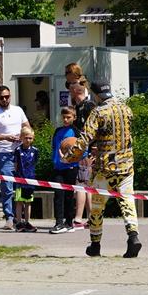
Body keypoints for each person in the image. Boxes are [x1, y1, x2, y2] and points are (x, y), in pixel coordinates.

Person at [64, 80, 142, 258]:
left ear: (96, 95)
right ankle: (133, 236)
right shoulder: (127, 109)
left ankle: (95, 244)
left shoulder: (98, 112)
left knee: (97, 207)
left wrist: (69, 157)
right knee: (127, 202)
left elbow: (84, 139)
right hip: (127, 165)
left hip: (105, 167)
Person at [0, 84, 28, 230]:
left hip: (20, 152)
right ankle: (9, 217)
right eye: (1, 97)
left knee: (22, 184)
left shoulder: (18, 110)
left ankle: (22, 217)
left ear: (10, 96)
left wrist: (23, 136)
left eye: (7, 96)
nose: (5, 99)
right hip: (5, 153)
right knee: (7, 187)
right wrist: (5, 137)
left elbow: (27, 127)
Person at [67, 76, 96, 227]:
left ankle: (78, 218)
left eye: (70, 90)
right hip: (80, 150)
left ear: (75, 91)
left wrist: (93, 149)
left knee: (81, 184)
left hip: (86, 151)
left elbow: (93, 130)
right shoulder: (78, 107)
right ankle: (91, 218)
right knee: (86, 185)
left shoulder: (88, 106)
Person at [49, 105, 79, 234]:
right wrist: (56, 159)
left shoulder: (76, 132)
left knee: (68, 196)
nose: (66, 120)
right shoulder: (57, 131)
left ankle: (69, 222)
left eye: (68, 117)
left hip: (71, 168)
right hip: (58, 167)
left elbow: (82, 151)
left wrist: (71, 158)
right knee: (58, 194)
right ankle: (59, 222)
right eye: (64, 117)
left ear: (74, 117)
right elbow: (54, 147)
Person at [12, 122, 40, 232]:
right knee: (19, 202)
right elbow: (15, 165)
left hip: (31, 180)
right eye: (26, 138)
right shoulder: (18, 151)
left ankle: (27, 222)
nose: (28, 140)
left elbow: (35, 163)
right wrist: (17, 176)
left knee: (28, 202)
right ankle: (19, 222)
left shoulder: (35, 151)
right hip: (20, 180)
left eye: (30, 138)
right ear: (21, 138)